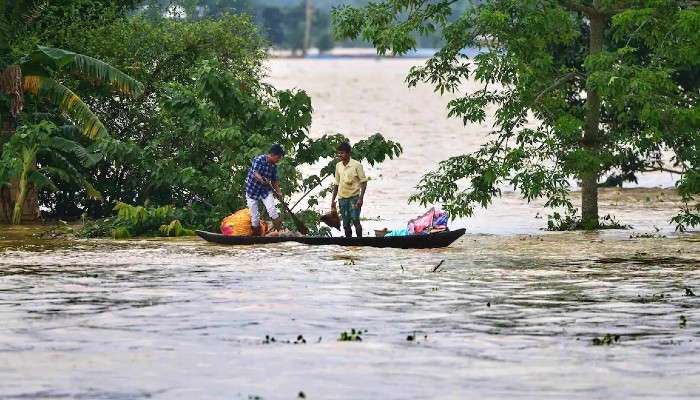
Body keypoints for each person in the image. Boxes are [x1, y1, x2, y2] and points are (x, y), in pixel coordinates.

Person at [245, 144, 285, 235]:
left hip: (265, 191)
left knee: (272, 211)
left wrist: (279, 192)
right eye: (278, 157)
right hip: (252, 191)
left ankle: (281, 233)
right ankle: (256, 236)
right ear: (273, 155)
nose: (279, 160)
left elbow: (274, 181)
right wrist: (261, 180)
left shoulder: (274, 166)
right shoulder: (259, 160)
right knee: (255, 218)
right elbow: (255, 173)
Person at [330, 142, 368, 237]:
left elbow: (364, 182)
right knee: (345, 224)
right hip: (342, 198)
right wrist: (333, 200)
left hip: (354, 198)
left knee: (355, 220)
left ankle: (360, 241)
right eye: (338, 153)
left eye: (342, 153)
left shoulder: (356, 165)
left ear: (348, 153)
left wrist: (361, 198)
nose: (340, 155)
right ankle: (348, 244)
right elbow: (336, 184)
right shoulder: (338, 166)